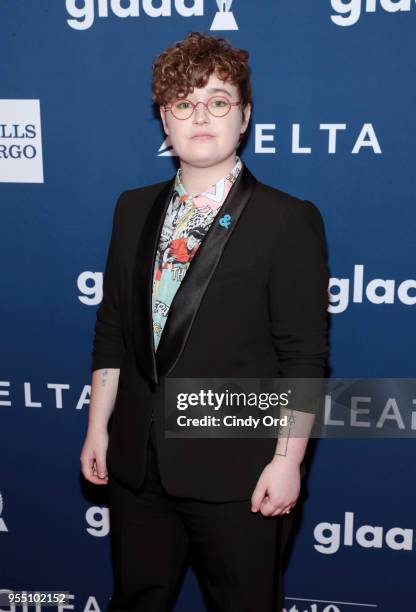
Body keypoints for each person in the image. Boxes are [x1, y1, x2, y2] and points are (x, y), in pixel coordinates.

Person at [80, 31, 329, 612]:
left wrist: (287, 462)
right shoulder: (131, 207)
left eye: (218, 101)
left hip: (239, 470)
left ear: (243, 117)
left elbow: (304, 357)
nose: (201, 115)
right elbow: (113, 327)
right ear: (164, 119)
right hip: (137, 466)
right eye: (183, 103)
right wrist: (99, 428)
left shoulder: (286, 220)